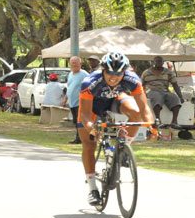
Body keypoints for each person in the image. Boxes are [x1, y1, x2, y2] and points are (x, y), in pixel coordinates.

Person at [78, 51, 155, 206]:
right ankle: (92, 189)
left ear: (124, 72)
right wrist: (92, 129)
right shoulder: (90, 82)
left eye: (118, 73)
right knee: (88, 144)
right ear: (103, 70)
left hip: (115, 99)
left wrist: (152, 126)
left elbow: (143, 107)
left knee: (135, 112)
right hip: (92, 107)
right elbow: (85, 115)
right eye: (110, 72)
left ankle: (123, 148)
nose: (114, 76)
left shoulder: (133, 80)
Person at [141, 56, 184, 127]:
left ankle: (174, 121)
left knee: (175, 99)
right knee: (157, 97)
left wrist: (180, 96)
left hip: (165, 91)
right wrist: (142, 95)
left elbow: (175, 84)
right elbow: (141, 85)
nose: (158, 63)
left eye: (160, 61)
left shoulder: (168, 72)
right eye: (157, 61)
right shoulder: (146, 73)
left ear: (163, 62)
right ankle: (158, 121)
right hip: (152, 91)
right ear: (153, 62)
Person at [63, 56, 89, 144]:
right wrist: (65, 98)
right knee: (75, 120)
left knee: (80, 121)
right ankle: (79, 138)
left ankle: (80, 139)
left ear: (80, 64)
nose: (74, 64)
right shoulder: (70, 74)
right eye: (72, 62)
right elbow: (69, 87)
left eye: (76, 62)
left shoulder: (84, 74)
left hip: (81, 102)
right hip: (72, 102)